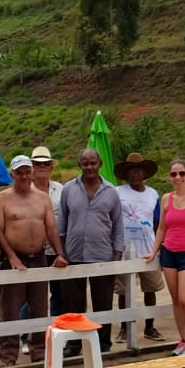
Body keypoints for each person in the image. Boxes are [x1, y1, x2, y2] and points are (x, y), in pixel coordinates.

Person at [0, 155, 67, 367]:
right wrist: (12, 257)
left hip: (39, 257)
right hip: (13, 258)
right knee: (10, 309)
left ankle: (39, 353)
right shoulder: (1, 199)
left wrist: (60, 253)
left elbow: (51, 227)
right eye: (19, 172)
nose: (24, 176)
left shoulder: (42, 198)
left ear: (31, 172)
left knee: (39, 307)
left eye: (27, 171)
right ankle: (8, 356)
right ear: (12, 174)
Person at [58, 147, 123, 353]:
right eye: (85, 163)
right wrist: (62, 252)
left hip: (102, 255)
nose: (89, 167)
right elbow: (62, 224)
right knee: (74, 304)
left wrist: (117, 254)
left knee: (102, 303)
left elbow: (118, 225)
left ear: (100, 164)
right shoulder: (68, 189)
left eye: (92, 162)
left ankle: (103, 343)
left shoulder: (111, 191)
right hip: (74, 255)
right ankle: (75, 343)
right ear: (79, 165)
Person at [145, 158, 185, 356]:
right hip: (169, 253)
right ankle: (182, 340)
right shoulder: (166, 199)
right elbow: (162, 228)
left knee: (184, 299)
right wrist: (154, 251)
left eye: (181, 173)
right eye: (174, 174)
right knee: (175, 299)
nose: (178, 177)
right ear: (170, 177)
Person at [112, 152, 166, 343]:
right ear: (126, 174)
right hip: (124, 248)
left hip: (147, 249)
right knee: (123, 291)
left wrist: (158, 246)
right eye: (131, 171)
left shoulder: (153, 194)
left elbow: (159, 221)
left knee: (150, 289)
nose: (135, 174)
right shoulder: (118, 193)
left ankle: (149, 326)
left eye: (139, 170)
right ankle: (125, 328)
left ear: (145, 173)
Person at [27, 145, 65, 321]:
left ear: (51, 167)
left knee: (58, 292)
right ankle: (28, 335)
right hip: (32, 249)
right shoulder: (24, 191)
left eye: (45, 163)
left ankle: (56, 330)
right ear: (31, 166)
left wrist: (62, 251)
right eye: (37, 163)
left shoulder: (61, 189)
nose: (41, 167)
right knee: (31, 295)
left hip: (56, 248)